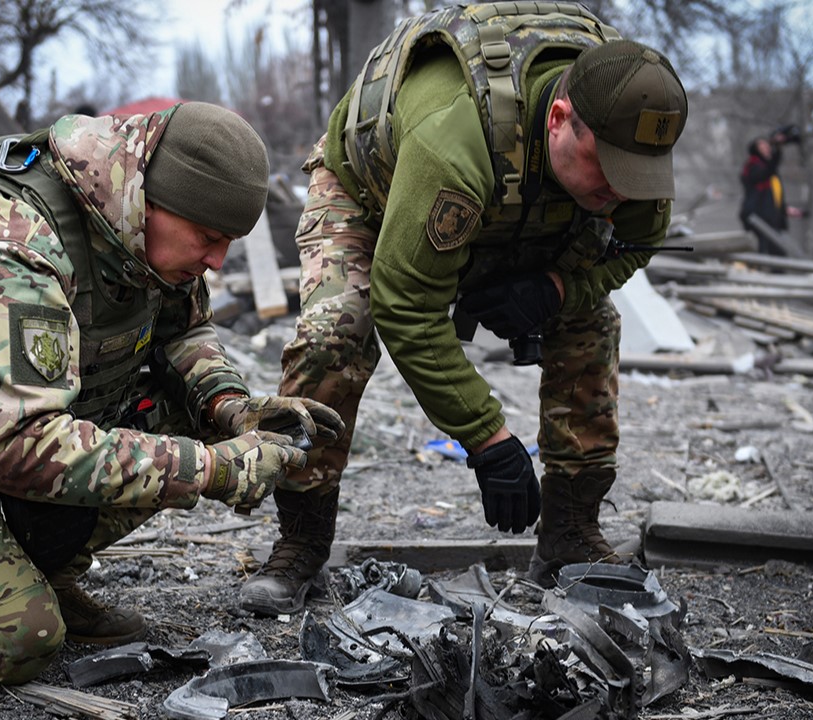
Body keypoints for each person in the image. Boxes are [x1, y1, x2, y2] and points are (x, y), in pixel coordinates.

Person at [0, 102, 344, 684]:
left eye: (229, 242)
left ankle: (36, 568)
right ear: (147, 202)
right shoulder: (9, 247)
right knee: (19, 640)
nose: (217, 260)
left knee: (201, 419)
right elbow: (20, 449)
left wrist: (234, 407)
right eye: (208, 238)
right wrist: (216, 468)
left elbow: (184, 332)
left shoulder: (138, 233)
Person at [238, 3, 689, 614]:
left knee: (593, 324)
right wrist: (487, 436)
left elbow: (637, 245)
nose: (622, 190)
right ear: (560, 119)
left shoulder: (630, 148)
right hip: (371, 193)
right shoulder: (455, 141)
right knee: (336, 333)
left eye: (636, 178)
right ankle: (300, 544)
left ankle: (570, 534)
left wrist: (556, 290)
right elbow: (407, 306)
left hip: (524, 206)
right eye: (608, 171)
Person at [738, 128, 801, 254]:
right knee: (760, 252)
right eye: (762, 145)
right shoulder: (752, 166)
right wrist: (777, 147)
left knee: (778, 253)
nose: (767, 147)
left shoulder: (771, 172)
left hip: (772, 219)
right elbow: (765, 174)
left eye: (767, 145)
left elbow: (775, 196)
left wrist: (784, 209)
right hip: (757, 219)